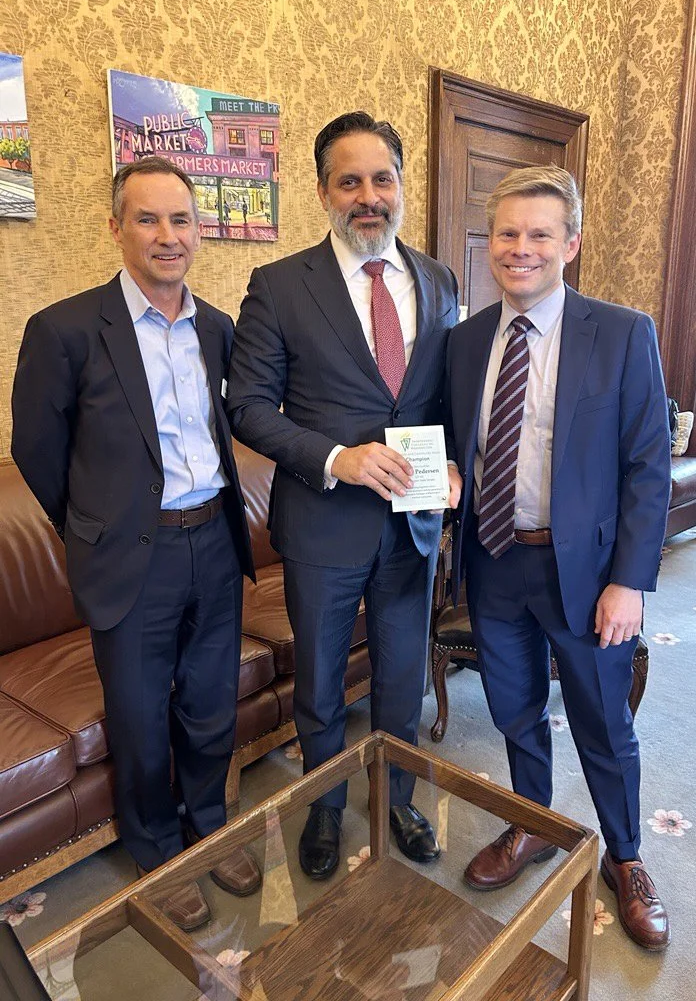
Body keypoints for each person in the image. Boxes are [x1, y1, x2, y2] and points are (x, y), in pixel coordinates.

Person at [11, 156, 261, 932]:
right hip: (131, 557)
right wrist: (96, 527)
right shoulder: (64, 330)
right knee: (142, 715)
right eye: (147, 219)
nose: (166, 235)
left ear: (199, 231)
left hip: (214, 541)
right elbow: (39, 452)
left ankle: (208, 826)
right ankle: (158, 854)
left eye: (180, 219)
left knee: (211, 702)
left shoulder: (219, 329)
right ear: (114, 227)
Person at [228, 111, 461, 878]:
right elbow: (249, 405)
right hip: (324, 525)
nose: (369, 196)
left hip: (411, 528)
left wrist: (455, 466)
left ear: (401, 183)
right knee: (323, 686)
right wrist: (337, 458)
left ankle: (398, 798)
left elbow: (445, 399)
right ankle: (324, 808)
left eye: (382, 177)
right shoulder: (278, 285)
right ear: (324, 190)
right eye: (349, 180)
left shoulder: (438, 280)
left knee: (399, 679)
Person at [446, 165, 671, 950]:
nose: (521, 249)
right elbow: (457, 447)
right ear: (490, 245)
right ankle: (534, 824)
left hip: (589, 575)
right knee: (514, 710)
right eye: (507, 233)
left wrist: (630, 582)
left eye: (540, 234)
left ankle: (629, 856)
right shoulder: (466, 339)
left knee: (604, 722)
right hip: (496, 562)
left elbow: (646, 465)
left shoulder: (622, 332)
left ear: (569, 244)